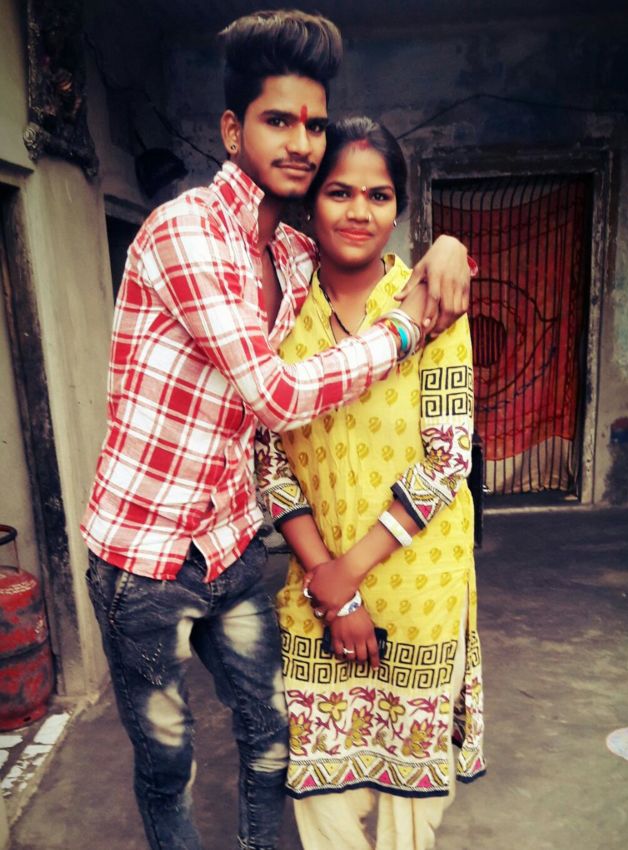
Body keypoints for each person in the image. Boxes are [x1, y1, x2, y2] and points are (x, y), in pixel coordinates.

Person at [81, 11, 474, 850]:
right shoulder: (187, 232)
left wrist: (447, 243)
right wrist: (407, 329)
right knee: (170, 763)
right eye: (278, 121)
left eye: (313, 124)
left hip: (231, 549)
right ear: (233, 130)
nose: (300, 143)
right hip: (145, 559)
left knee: (270, 743)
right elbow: (277, 399)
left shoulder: (290, 259)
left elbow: (364, 254)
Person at [257, 116, 485, 850]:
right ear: (311, 202)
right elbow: (270, 460)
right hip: (317, 585)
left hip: (419, 585)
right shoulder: (280, 314)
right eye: (340, 192)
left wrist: (347, 577)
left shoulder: (434, 306)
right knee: (322, 787)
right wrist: (334, 590)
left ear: (398, 207)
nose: (359, 211)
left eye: (379, 195)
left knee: (409, 802)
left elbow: (447, 458)